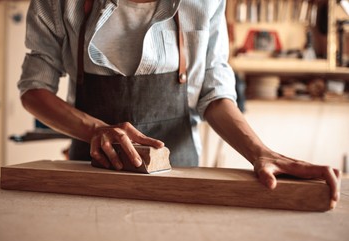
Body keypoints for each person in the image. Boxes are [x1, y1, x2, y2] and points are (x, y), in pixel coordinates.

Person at [18, 0, 340, 208]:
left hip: (180, 179)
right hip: (90, 178)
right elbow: (34, 89)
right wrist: (96, 130)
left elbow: (213, 94)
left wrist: (261, 152)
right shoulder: (61, 4)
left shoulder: (204, 3)